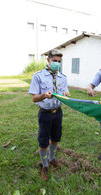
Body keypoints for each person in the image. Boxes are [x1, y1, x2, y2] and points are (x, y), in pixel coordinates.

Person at [29, 49, 70, 181]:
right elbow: (34, 98)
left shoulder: (63, 77)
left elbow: (65, 92)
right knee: (43, 140)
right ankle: (45, 165)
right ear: (48, 60)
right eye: (54, 61)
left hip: (58, 113)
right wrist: (43, 96)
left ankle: (52, 159)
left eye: (59, 61)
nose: (57, 64)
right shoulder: (38, 76)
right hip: (45, 114)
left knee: (56, 138)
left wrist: (66, 95)